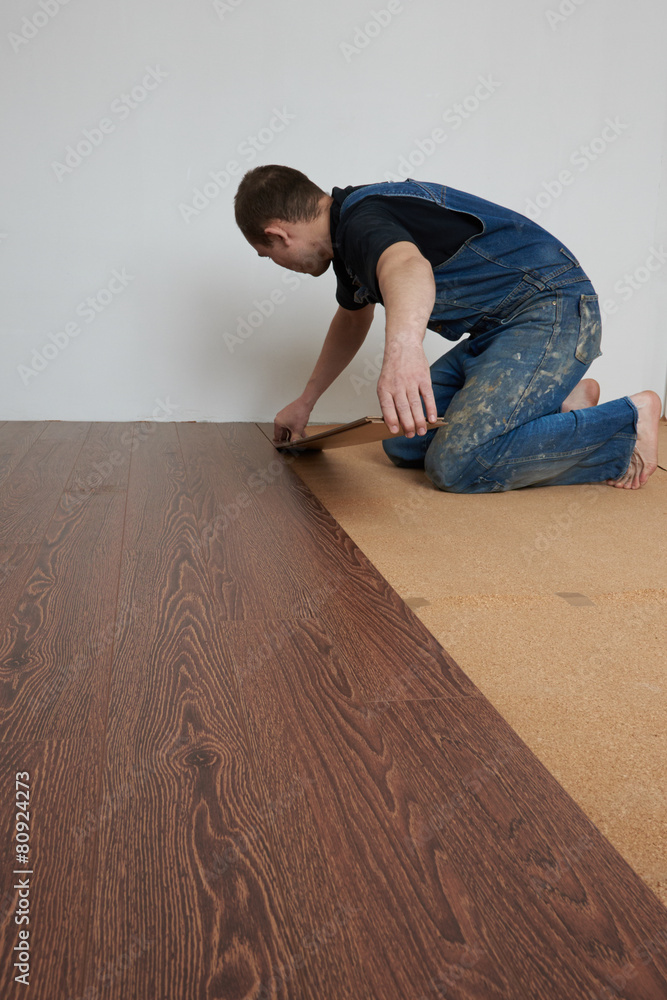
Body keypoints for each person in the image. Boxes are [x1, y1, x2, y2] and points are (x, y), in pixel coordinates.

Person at [233, 164, 661, 492]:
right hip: (498, 333)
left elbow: (406, 265)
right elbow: (351, 318)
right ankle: (559, 402)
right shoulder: (346, 246)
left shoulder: (362, 220)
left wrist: (404, 351)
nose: (280, 265)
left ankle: (626, 423)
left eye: (268, 255)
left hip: (553, 311)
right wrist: (306, 402)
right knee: (405, 441)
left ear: (279, 235)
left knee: (456, 466)